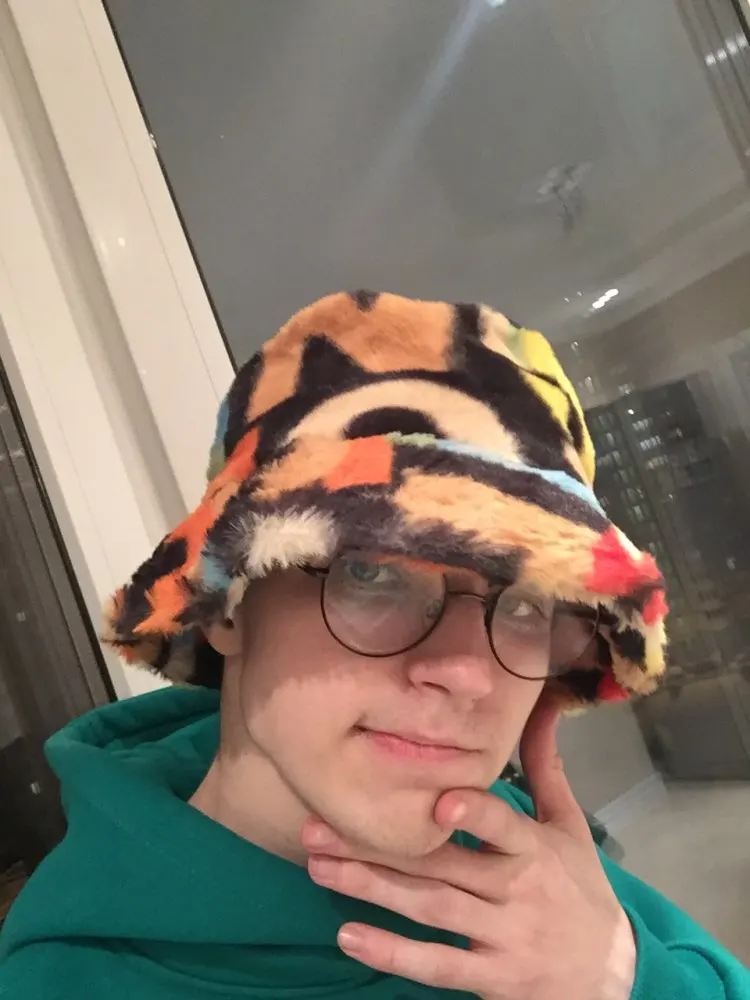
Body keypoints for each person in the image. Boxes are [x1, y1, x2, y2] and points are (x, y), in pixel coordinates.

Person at [0, 291, 747, 999]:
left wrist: (619, 976)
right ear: (228, 603)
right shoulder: (68, 979)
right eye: (372, 573)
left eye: (526, 604)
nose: (467, 673)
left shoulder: (537, 872)